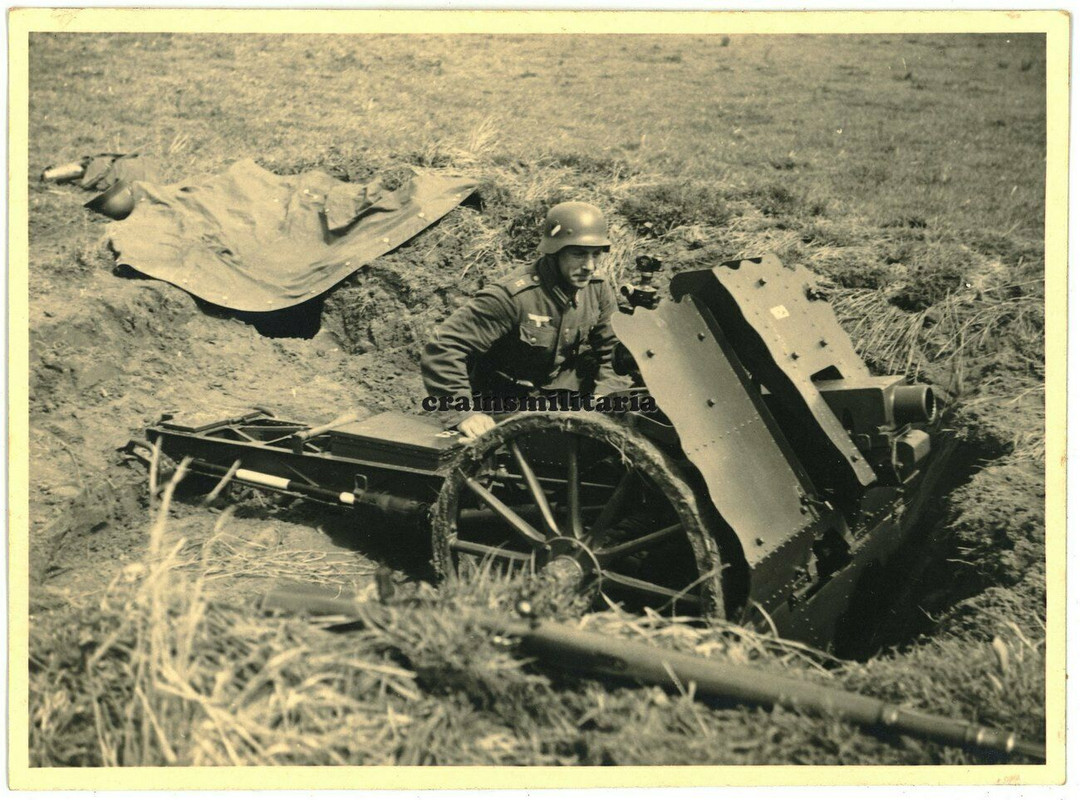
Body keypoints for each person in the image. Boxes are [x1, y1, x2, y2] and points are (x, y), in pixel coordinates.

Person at [421, 201, 626, 439]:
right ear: (555, 252)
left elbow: (614, 351)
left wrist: (604, 397)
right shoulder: (512, 297)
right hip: (502, 403)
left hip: (558, 396)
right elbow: (444, 347)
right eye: (579, 254)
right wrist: (464, 413)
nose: (589, 266)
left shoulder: (597, 288)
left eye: (596, 254)